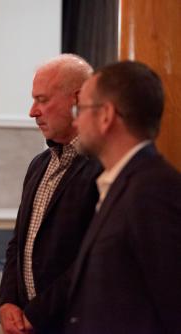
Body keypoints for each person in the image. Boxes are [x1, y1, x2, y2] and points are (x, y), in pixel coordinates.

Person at [65, 60, 181, 333]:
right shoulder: (123, 182)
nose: (75, 120)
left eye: (80, 109)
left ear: (106, 116)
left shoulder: (154, 190)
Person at [0, 54, 102, 333]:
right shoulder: (39, 164)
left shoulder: (103, 166)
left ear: (78, 100)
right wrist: (7, 301)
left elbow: (93, 259)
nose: (32, 111)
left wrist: (39, 313)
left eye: (42, 100)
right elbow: (17, 241)